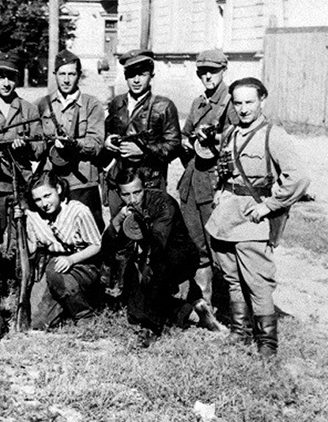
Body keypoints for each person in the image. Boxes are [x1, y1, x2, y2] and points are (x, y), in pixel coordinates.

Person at [206, 77, 309, 358]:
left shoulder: (272, 134)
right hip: (226, 216)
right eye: (237, 103)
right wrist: (219, 191)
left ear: (262, 100)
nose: (243, 108)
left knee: (258, 280)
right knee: (232, 277)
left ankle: (267, 345)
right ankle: (241, 332)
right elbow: (225, 170)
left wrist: (270, 205)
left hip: (253, 218)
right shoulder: (230, 133)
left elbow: (299, 177)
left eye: (249, 102)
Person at [101, 168, 222, 345]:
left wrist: (147, 272)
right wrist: (118, 220)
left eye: (137, 192)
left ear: (145, 187)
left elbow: (159, 241)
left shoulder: (163, 203)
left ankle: (150, 329)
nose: (133, 199)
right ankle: (191, 310)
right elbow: (107, 246)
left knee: (155, 279)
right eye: (126, 194)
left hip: (181, 257)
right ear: (119, 193)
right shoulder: (125, 209)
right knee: (134, 313)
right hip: (153, 257)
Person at [178, 49, 238, 304]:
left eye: (212, 71)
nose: (207, 76)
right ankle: (205, 304)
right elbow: (185, 133)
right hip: (192, 182)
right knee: (196, 245)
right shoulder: (198, 102)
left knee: (219, 246)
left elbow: (240, 140)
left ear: (223, 71)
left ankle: (232, 304)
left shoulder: (233, 103)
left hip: (214, 184)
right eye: (202, 72)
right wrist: (187, 142)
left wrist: (212, 138)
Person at [20, 171, 101, 330]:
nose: (44, 203)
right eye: (38, 199)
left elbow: (96, 245)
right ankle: (66, 304)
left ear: (58, 188)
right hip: (55, 269)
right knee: (37, 322)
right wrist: (20, 224)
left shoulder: (78, 211)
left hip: (83, 264)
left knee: (54, 270)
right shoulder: (34, 216)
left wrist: (71, 259)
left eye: (47, 196)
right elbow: (32, 248)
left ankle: (84, 315)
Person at [102, 49, 181, 216]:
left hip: (149, 183)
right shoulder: (117, 103)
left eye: (142, 74)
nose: (136, 80)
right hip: (119, 182)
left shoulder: (163, 106)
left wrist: (144, 150)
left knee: (150, 232)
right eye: (132, 75)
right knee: (120, 230)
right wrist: (107, 141)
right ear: (125, 76)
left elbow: (174, 145)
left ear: (151, 75)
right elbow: (106, 130)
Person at [36, 50, 106, 231]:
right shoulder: (42, 104)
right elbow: (37, 143)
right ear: (55, 75)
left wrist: (75, 144)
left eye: (71, 74)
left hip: (82, 181)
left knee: (89, 230)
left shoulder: (92, 104)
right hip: (52, 181)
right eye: (62, 74)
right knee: (53, 230)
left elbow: (97, 143)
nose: (66, 80)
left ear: (79, 76)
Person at [0, 51, 44, 252]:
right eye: (0, 77)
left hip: (21, 184)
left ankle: (19, 278)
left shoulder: (29, 110)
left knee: (22, 238)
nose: (6, 83)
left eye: (11, 78)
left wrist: (25, 147)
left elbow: (40, 148)